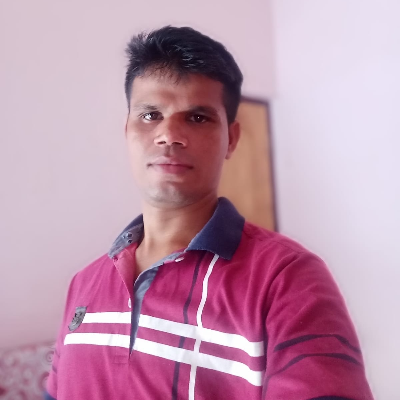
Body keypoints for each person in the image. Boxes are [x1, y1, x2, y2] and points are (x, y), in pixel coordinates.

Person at [45, 26, 374, 400]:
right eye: (150, 115)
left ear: (231, 139)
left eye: (197, 118)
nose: (169, 135)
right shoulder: (84, 283)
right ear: (127, 130)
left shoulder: (288, 279)